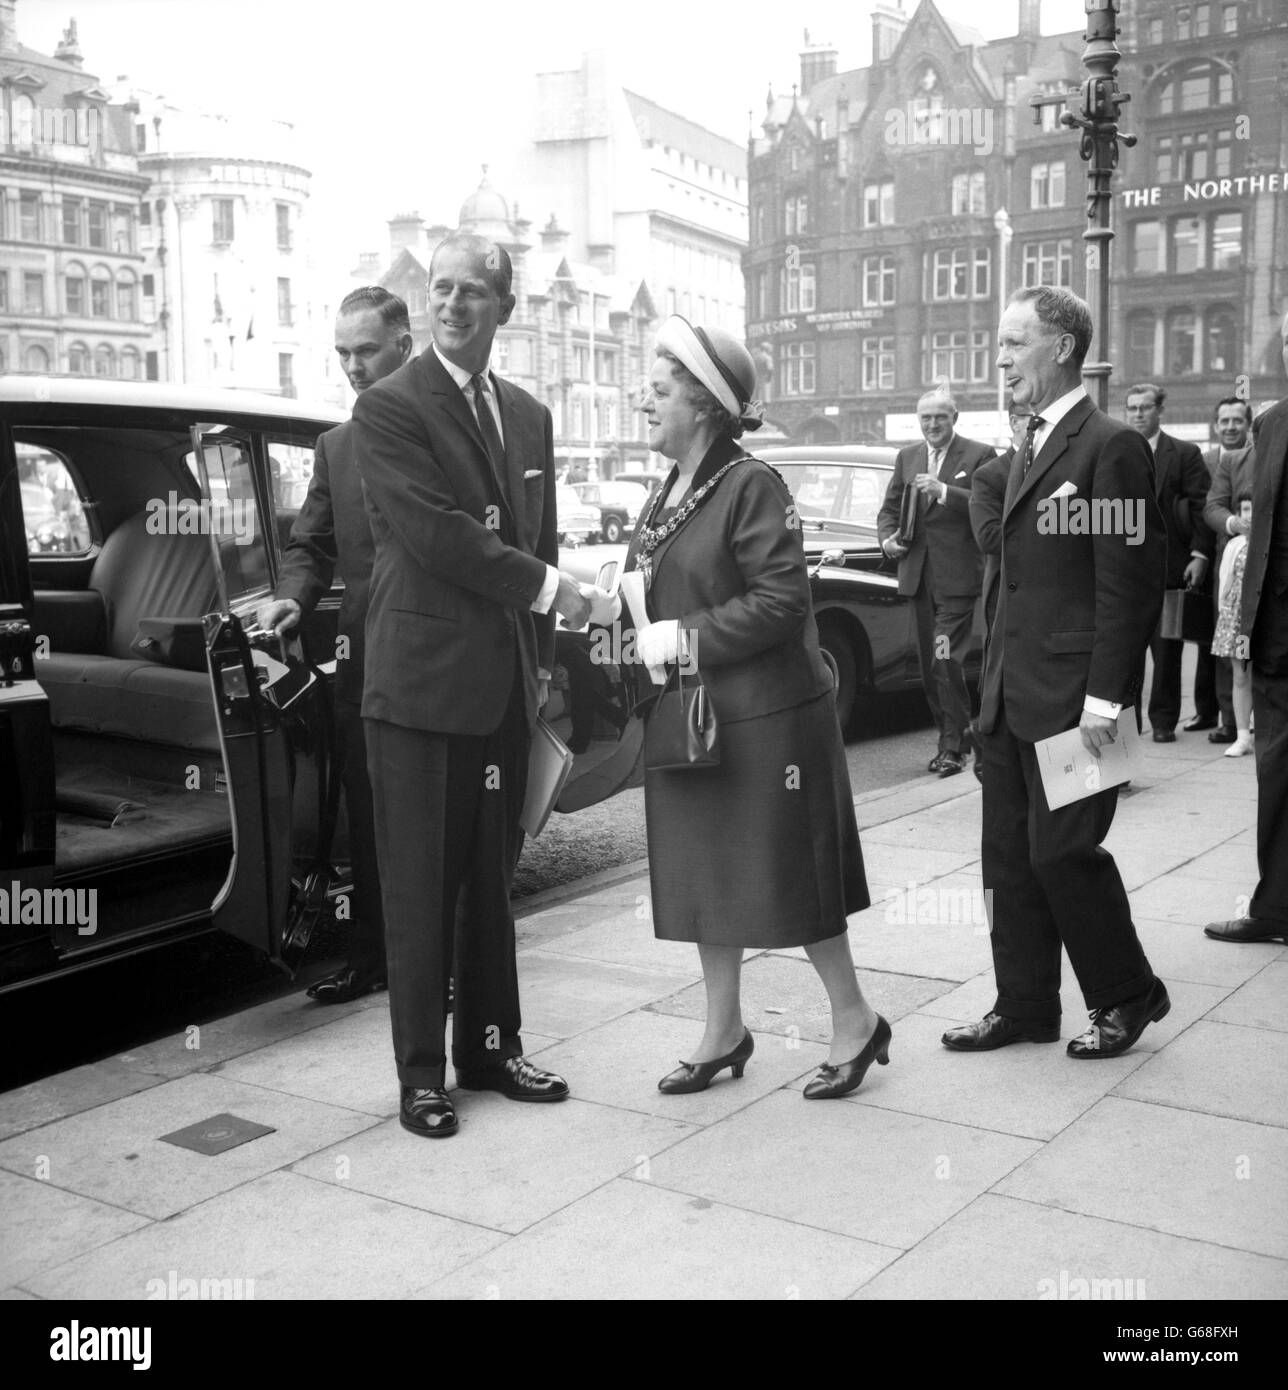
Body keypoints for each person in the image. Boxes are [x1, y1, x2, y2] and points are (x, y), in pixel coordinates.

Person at [352, 232, 592, 1138]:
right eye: (440, 291)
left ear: (505, 307)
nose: (450, 305)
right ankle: (421, 1075)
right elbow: (439, 535)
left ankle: (491, 1050)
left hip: (499, 690)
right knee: (419, 885)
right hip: (416, 692)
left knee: (488, 884)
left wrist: (538, 659)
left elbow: (543, 539)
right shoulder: (391, 407)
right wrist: (543, 588)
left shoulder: (528, 415)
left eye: (471, 293)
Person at [617, 317, 886, 1099]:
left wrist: (681, 637)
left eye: (660, 390)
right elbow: (666, 590)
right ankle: (723, 1030)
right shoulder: (671, 487)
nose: (646, 400)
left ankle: (855, 1020)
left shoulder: (750, 484)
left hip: (766, 721)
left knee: (790, 877)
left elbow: (780, 601)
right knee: (706, 877)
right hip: (695, 717)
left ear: (704, 405)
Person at [946, 285, 1170, 1060]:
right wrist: (986, 690)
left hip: (1081, 703)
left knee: (1063, 854)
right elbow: (1013, 580)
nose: (999, 357)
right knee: (1008, 858)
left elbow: (1129, 585)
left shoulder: (1110, 446)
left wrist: (1107, 703)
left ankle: (1127, 995)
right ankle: (1025, 1006)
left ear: (1063, 348)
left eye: (1013, 343)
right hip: (1011, 696)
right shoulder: (1028, 447)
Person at [257, 287, 412, 1004]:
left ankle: (440, 968)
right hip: (360, 661)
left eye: (366, 350)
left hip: (437, 664)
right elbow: (311, 544)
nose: (352, 366)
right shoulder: (335, 446)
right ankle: (372, 957)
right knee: (368, 816)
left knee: (437, 821)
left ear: (403, 345)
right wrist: (293, 597)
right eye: (343, 353)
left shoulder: (442, 432)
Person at [1204, 310, 1288, 945]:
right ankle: (1275, 908)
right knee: (1277, 773)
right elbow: (1262, 532)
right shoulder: (1271, 423)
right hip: (1279, 635)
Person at [878, 390, 994, 777]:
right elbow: (890, 509)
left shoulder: (979, 455)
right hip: (918, 579)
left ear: (955, 417)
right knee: (931, 668)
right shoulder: (907, 456)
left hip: (956, 583)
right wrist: (887, 539)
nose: (932, 425)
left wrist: (944, 492)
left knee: (945, 659)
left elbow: (986, 504)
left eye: (939, 418)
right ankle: (953, 738)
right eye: (925, 418)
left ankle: (955, 747)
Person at [1123, 383, 1212, 743]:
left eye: (1145, 408)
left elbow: (1200, 506)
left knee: (1166, 650)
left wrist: (1199, 555)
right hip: (1127, 571)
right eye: (1132, 408)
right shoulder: (1116, 451)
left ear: (1160, 411)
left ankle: (1162, 721)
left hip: (1170, 569)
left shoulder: (1184, 454)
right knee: (1125, 655)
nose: (1138, 414)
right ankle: (1128, 728)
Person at [968, 405, 1028, 783]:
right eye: (1031, 421)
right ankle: (988, 752)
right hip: (1006, 597)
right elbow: (989, 537)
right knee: (1002, 681)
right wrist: (1059, 525)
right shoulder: (991, 475)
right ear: (1015, 424)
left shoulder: (1067, 468)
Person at [1200, 398, 1257, 743]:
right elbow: (1212, 506)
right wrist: (1235, 523)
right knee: (1228, 646)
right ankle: (1231, 720)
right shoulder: (1231, 462)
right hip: (1235, 564)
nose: (1233, 426)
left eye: (1240, 420)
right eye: (1226, 420)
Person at [1210, 490, 1253, 756]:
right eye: (1245, 509)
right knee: (1241, 674)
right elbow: (1225, 583)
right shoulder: (1234, 545)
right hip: (1239, 621)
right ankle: (1242, 734)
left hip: (1264, 620)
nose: (1249, 515)